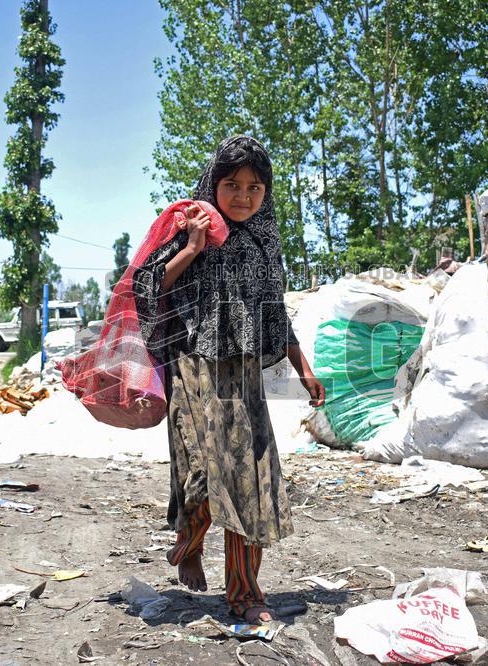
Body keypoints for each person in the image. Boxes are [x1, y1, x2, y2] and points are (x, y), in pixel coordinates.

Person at [132, 135, 325, 624]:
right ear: (213, 185)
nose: (242, 196)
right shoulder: (192, 225)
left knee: (248, 480)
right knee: (200, 474)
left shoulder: (264, 240)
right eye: (232, 184)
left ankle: (244, 591)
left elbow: (274, 312)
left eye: (254, 187)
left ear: (267, 192)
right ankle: (189, 542)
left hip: (240, 374)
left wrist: (303, 368)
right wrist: (194, 246)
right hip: (193, 364)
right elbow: (147, 289)